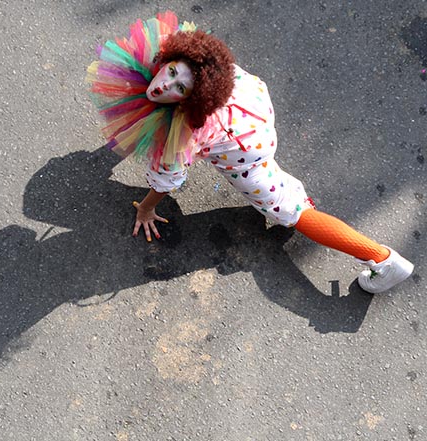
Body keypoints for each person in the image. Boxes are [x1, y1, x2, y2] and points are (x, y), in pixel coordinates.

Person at [86, 11, 414, 294]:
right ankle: (290, 191)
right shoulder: (209, 69)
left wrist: (145, 209)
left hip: (248, 154)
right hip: (252, 109)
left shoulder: (189, 133)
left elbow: (167, 179)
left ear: (192, 99)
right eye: (171, 72)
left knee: (289, 211)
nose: (163, 86)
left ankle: (382, 259)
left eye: (180, 88)